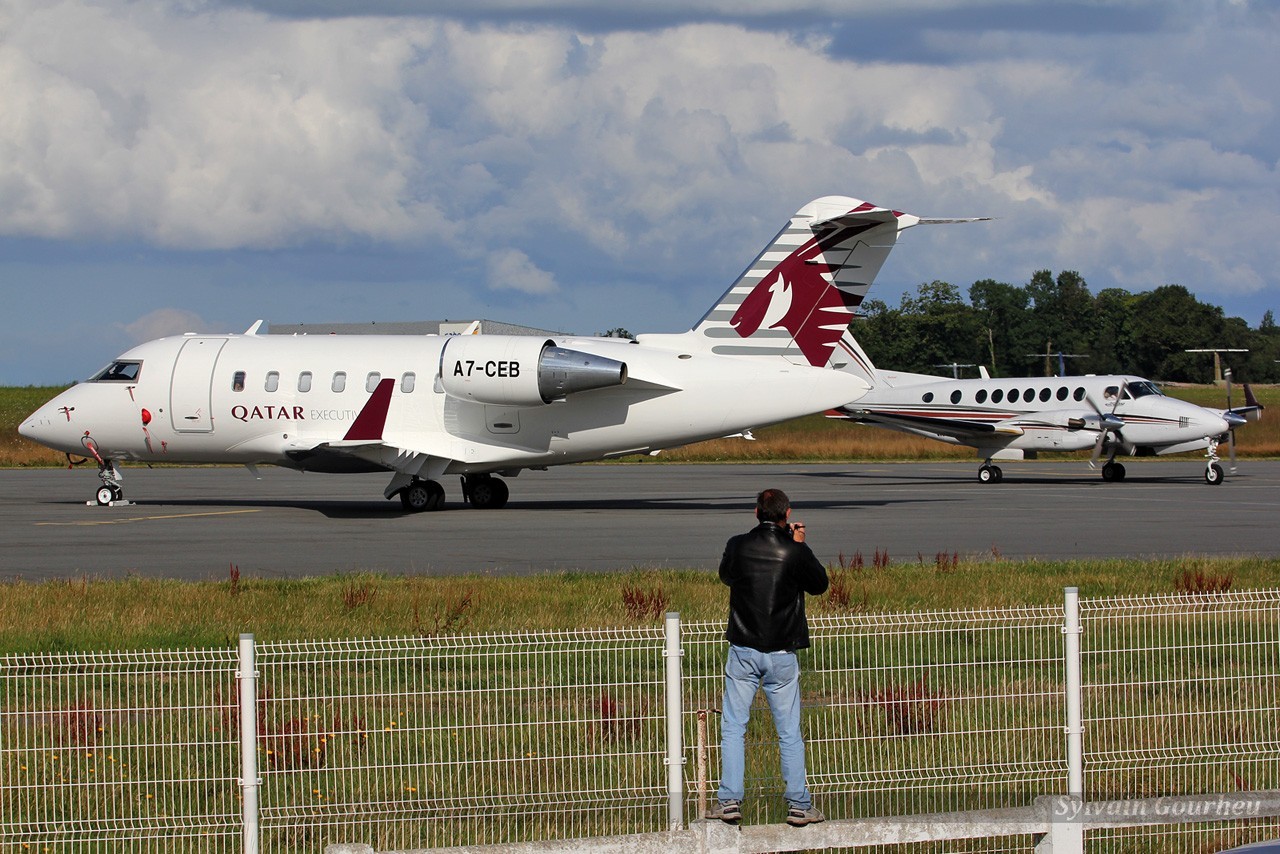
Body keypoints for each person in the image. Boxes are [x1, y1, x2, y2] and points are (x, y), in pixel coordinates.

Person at [711, 488, 828, 827]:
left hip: (744, 648)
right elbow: (819, 584)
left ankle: (730, 800)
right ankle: (799, 805)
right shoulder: (794, 551)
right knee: (789, 731)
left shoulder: (737, 545)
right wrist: (801, 544)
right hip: (781, 651)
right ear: (787, 514)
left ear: (755, 512)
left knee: (734, 726)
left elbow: (726, 576)